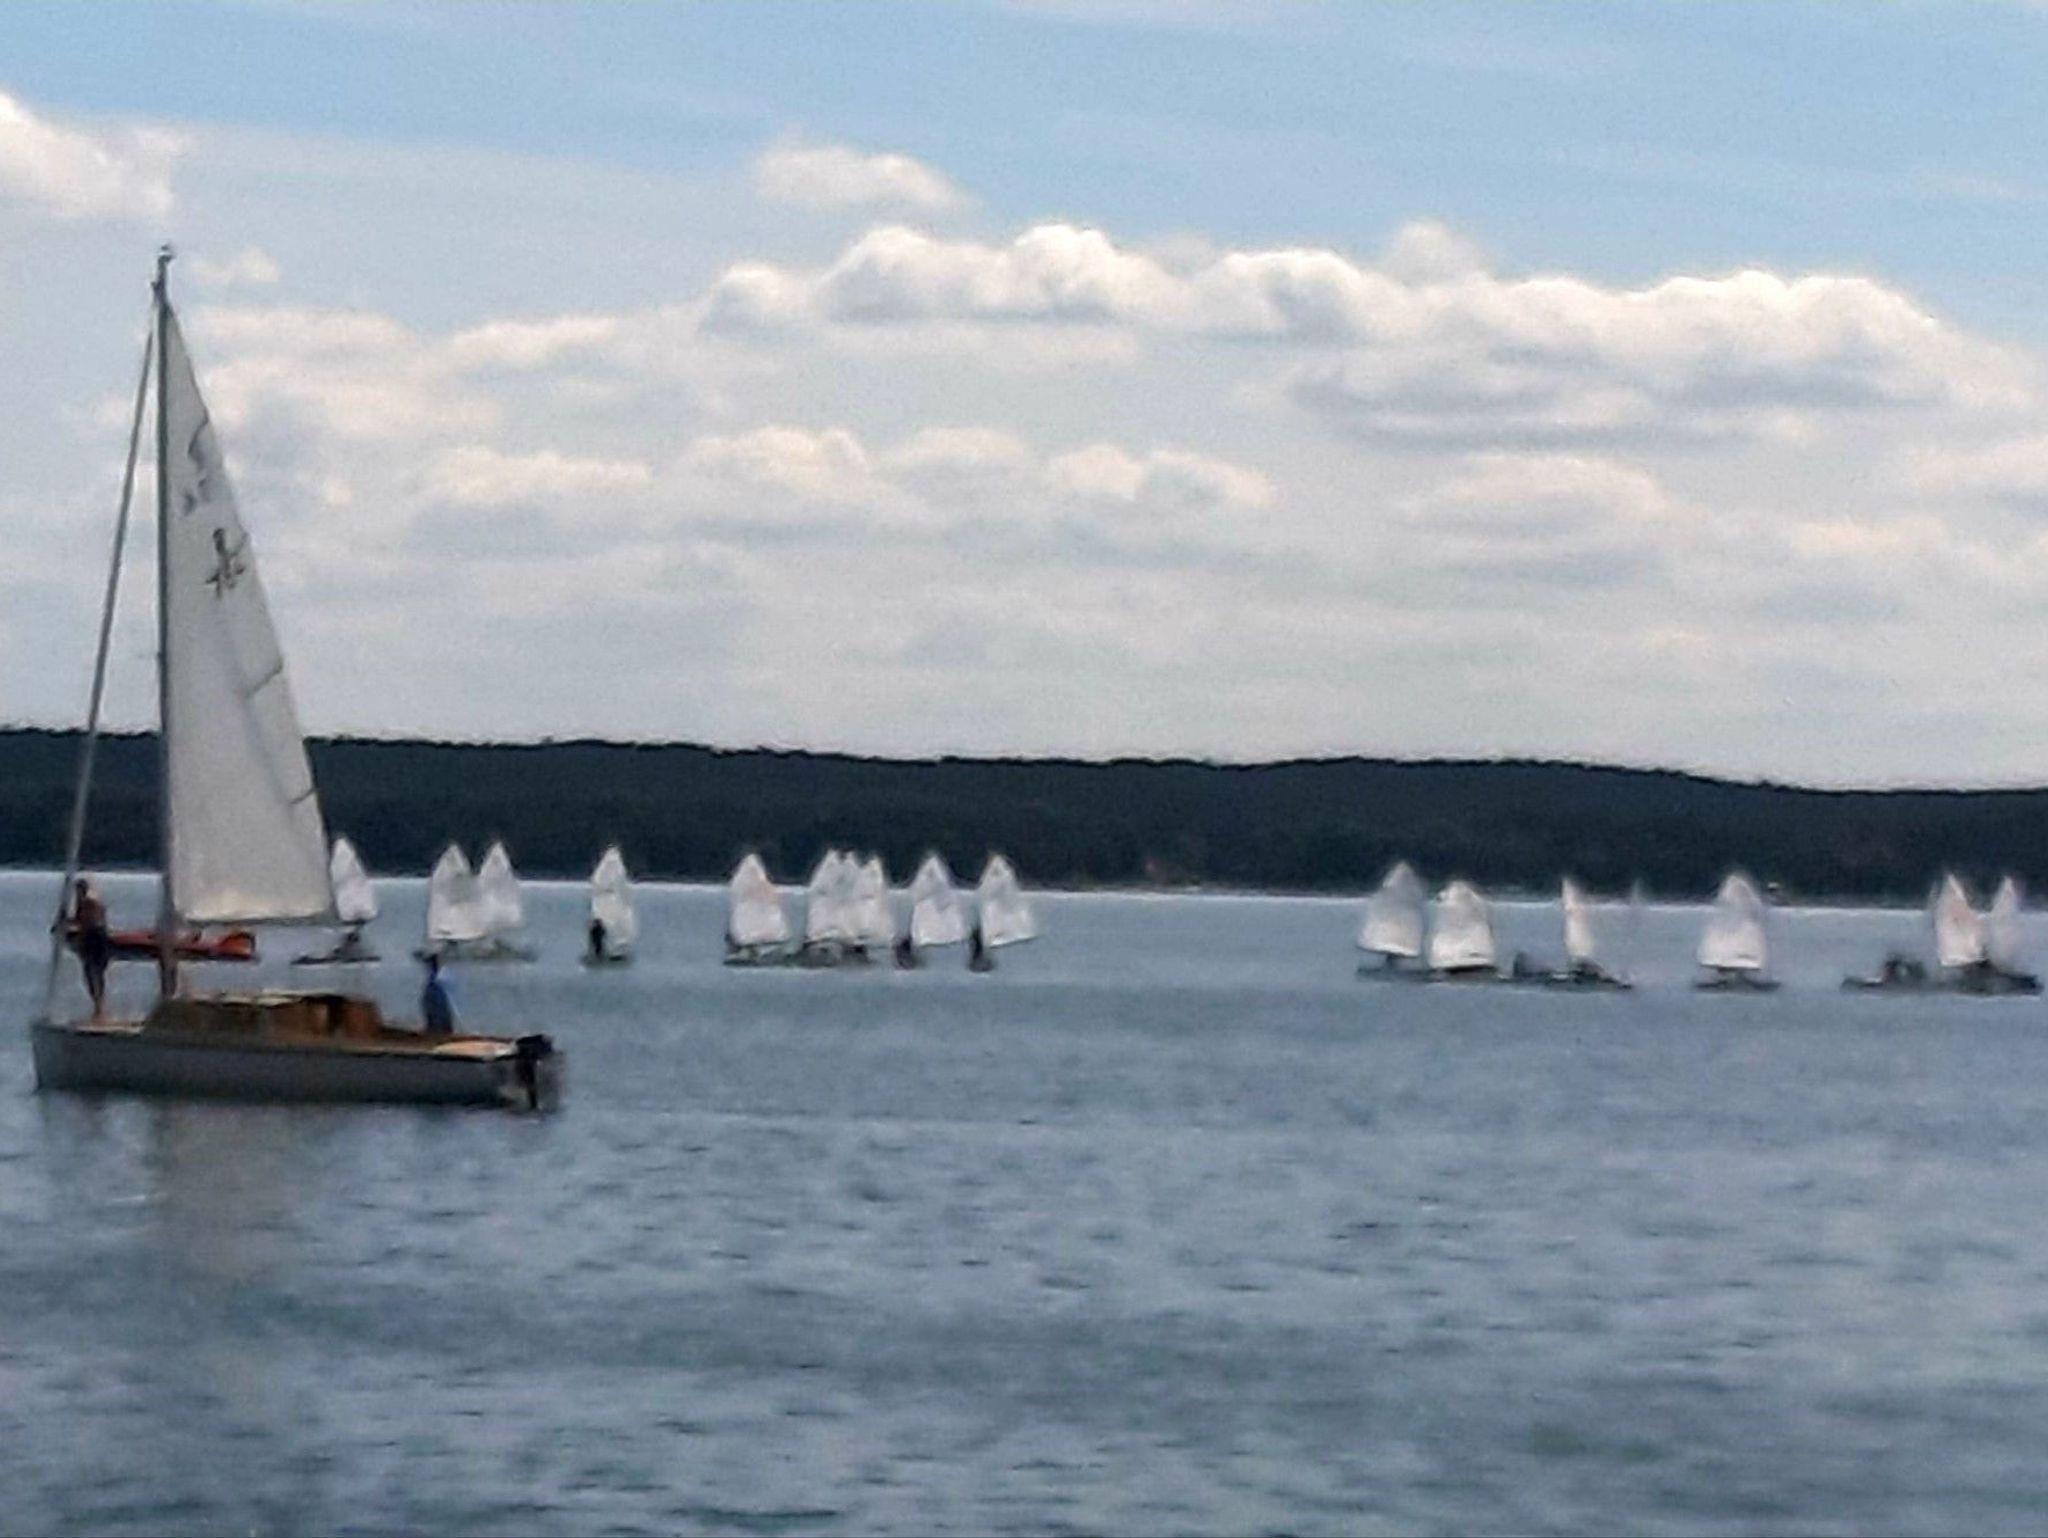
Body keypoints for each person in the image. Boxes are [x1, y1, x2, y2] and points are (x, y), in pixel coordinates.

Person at [66, 878, 111, 1022]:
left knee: (93, 973)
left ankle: (99, 1009)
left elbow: (87, 923)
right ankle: (98, 1008)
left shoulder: (88, 903)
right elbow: (81, 920)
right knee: (94, 974)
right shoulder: (87, 903)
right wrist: (66, 921)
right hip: (98, 936)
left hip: (95, 937)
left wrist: (80, 939)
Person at [421, 952, 455, 1035]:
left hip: (438, 1028)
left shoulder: (434, 985)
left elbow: (435, 1009)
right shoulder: (438, 983)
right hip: (442, 1025)